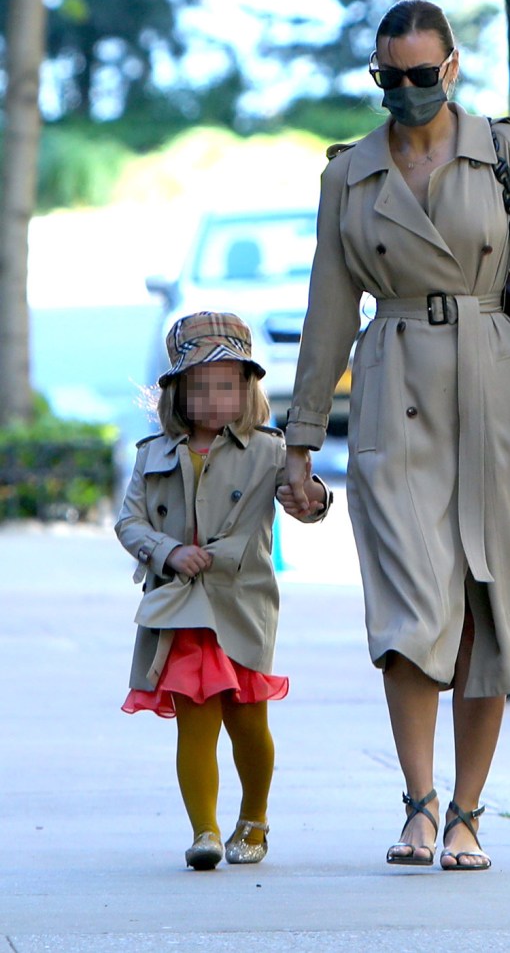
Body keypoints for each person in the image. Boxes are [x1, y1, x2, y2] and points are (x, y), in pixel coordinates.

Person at [284, 0, 510, 871]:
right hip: (392, 389)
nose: (409, 93)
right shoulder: (347, 173)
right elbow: (324, 311)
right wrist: (300, 437)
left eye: (424, 77)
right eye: (391, 79)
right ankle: (418, 803)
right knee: (408, 608)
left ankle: (468, 809)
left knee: (485, 610)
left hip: (491, 384)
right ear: (377, 75)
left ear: (452, 69)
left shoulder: (506, 151)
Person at [115, 311, 332, 871]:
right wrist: (166, 551)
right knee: (196, 717)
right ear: (177, 393)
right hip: (181, 607)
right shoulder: (154, 454)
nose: (214, 398)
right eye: (201, 386)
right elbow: (130, 523)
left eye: (227, 384)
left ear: (248, 389)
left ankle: (253, 818)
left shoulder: (267, 449)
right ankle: (205, 830)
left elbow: (305, 494)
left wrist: (310, 499)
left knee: (249, 721)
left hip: (240, 600)